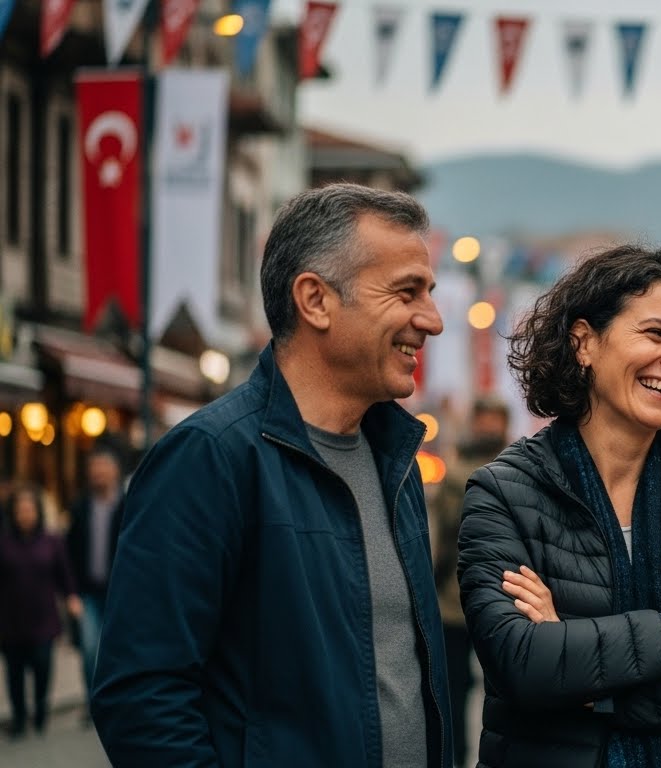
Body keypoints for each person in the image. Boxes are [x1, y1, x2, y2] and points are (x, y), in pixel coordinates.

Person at [91, 183, 454, 767]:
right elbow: (141, 697)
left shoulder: (397, 462)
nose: (431, 321)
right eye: (406, 292)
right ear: (315, 300)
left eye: (430, 293)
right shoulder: (208, 458)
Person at [458, 244, 661, 768]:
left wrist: (596, 689)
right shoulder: (506, 493)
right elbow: (522, 664)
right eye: (657, 334)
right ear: (585, 342)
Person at [428, 395, 512, 768]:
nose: (489, 428)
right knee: (477, 689)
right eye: (486, 420)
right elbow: (442, 535)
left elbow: (441, 535)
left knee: (461, 691)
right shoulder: (512, 469)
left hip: (472, 598)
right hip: (466, 599)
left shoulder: (464, 468)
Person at [0, 485, 81, 738]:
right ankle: (20, 717)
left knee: (42, 667)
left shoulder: (52, 541)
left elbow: (65, 574)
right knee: (14, 672)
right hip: (10, 619)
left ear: (37, 512)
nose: (25, 514)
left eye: (29, 509)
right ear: (13, 513)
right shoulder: (3, 542)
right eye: (20, 510)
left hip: (43, 618)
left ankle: (41, 711)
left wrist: (71, 598)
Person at [64, 444, 125, 713]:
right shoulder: (80, 509)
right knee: (89, 649)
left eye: (103, 467)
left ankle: (114, 699)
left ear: (115, 471)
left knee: (116, 650)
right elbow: (67, 553)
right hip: (87, 592)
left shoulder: (127, 505)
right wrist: (71, 592)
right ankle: (94, 702)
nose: (98, 473)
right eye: (94, 468)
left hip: (119, 593)